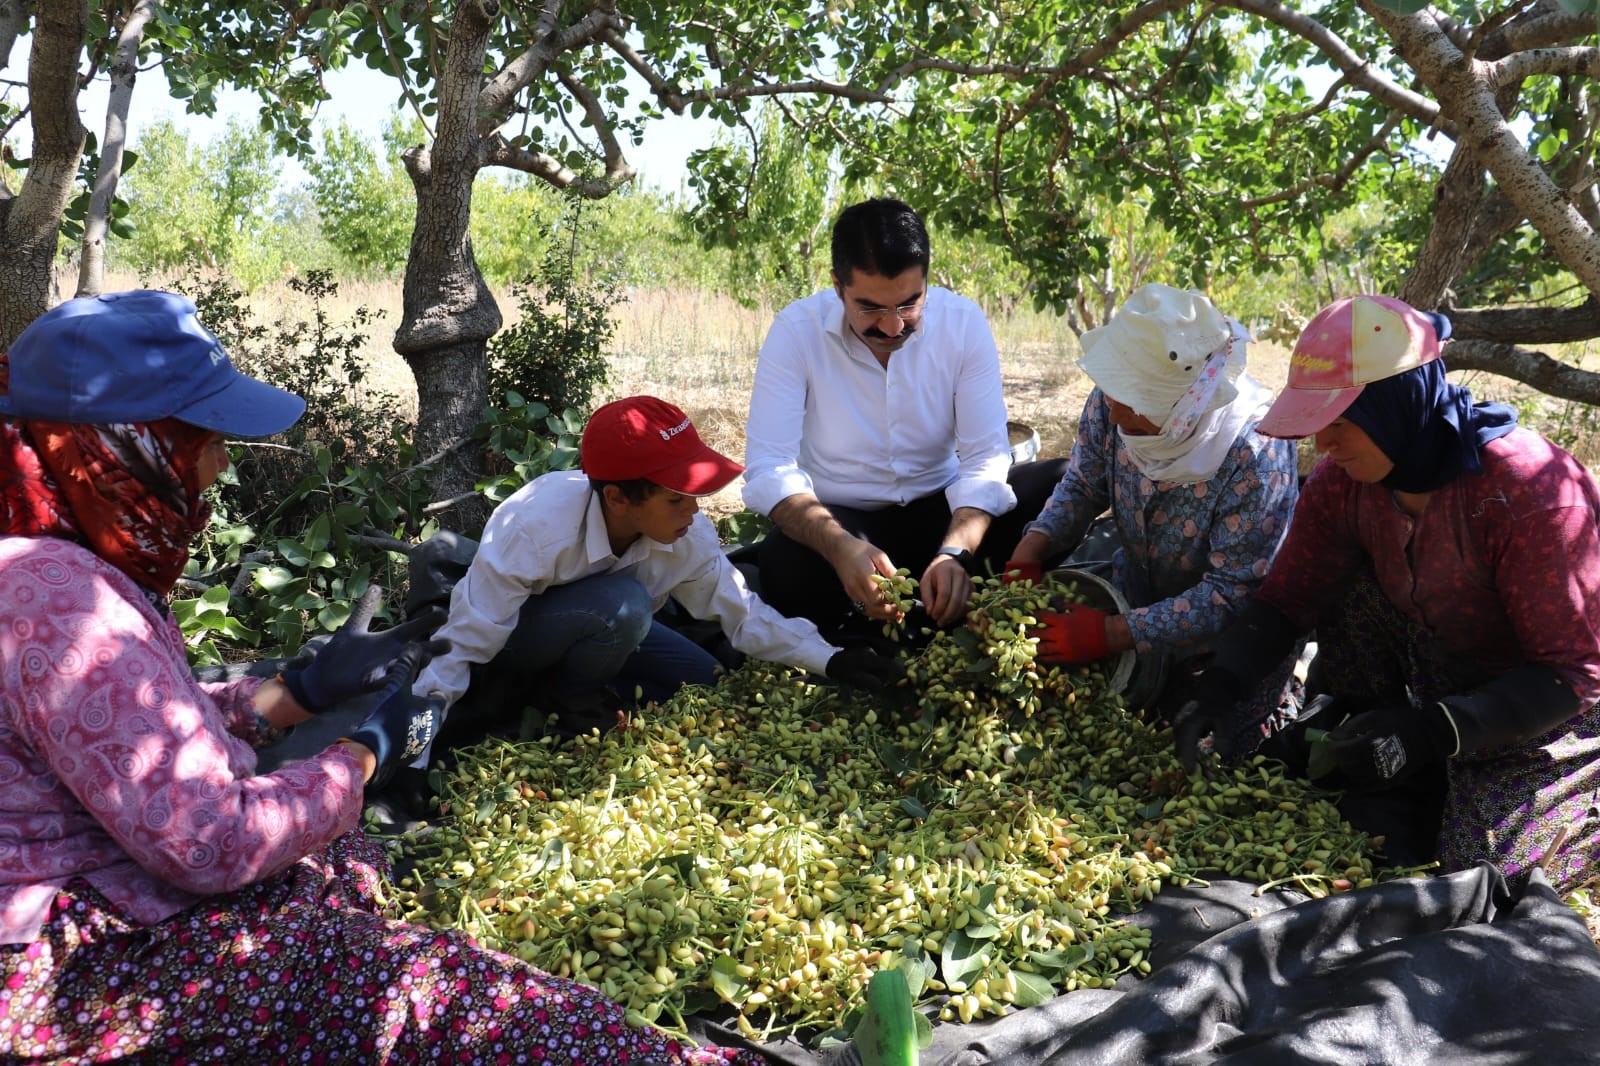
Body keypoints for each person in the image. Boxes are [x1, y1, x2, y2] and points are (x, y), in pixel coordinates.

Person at [0, 291, 763, 1063]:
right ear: (126, 449)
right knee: (466, 1003)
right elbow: (211, 843)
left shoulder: (71, 567)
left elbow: (149, 732)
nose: (222, 463)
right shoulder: (60, 600)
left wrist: (298, 693)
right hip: (83, 955)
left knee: (352, 861)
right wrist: (363, 756)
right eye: (205, 439)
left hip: (117, 880)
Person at [1172, 294, 1600, 892]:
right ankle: (1366, 727)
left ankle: (1572, 790)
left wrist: (1429, 733)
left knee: (1486, 880)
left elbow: (1572, 673)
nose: (1324, 446)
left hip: (1544, 709)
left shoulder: (1528, 495)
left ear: (1395, 408)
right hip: (1432, 666)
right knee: (1345, 583)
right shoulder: (1346, 484)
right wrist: (1218, 688)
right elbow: (1287, 599)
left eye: (1340, 424)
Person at [409, 394, 901, 751]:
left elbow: (741, 613)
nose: (694, 510)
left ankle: (585, 686)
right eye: (676, 497)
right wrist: (416, 741)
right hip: (518, 637)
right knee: (623, 606)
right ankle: (564, 695)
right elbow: (465, 642)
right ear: (618, 499)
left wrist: (831, 659)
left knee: (702, 678)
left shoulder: (687, 534)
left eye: (695, 494)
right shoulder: (535, 527)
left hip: (608, 633)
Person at [741, 197, 1066, 638]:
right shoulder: (796, 331)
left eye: (909, 305)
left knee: (1057, 487)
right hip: (843, 521)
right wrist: (839, 548)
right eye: (870, 308)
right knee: (785, 565)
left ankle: (941, 589)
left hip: (945, 513)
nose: (893, 327)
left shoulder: (963, 323)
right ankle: (917, 612)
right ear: (837, 286)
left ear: (926, 283)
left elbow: (985, 458)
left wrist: (955, 554)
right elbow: (770, 468)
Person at [1002, 284, 1300, 731]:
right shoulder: (1112, 400)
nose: (1116, 412)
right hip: (1134, 592)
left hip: (1227, 646)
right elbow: (1084, 484)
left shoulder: (1255, 457)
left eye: (1134, 404)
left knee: (1198, 747)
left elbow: (1228, 594)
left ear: (1187, 406)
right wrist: (1033, 546)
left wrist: (1110, 634)